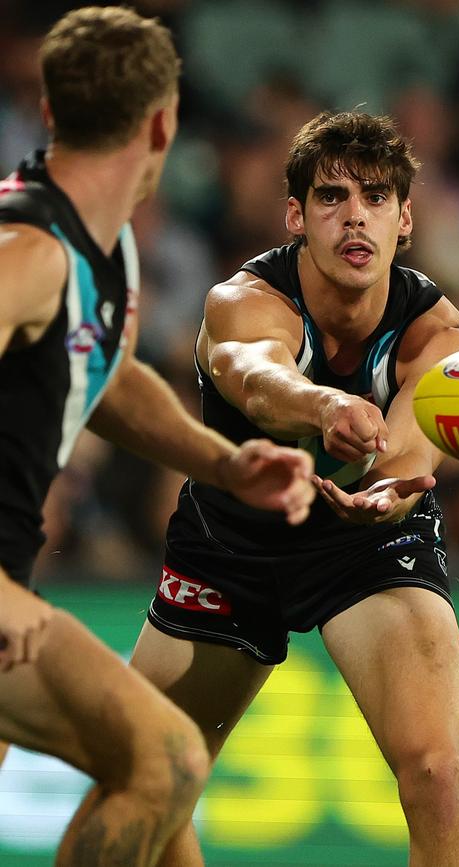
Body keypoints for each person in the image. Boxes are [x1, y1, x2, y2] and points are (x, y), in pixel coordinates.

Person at [131, 110, 459, 866]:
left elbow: (408, 456)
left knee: (436, 769)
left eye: (376, 197)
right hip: (231, 539)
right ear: (295, 216)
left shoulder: (446, 337)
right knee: (146, 775)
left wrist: (387, 490)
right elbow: (256, 377)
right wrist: (325, 405)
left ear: (406, 221)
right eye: (331, 197)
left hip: (365, 541)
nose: (354, 215)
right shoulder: (241, 299)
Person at [0, 7, 314, 866]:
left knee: (158, 778)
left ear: (52, 109)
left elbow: (105, 374)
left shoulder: (97, 246)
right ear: (164, 122)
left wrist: (225, 462)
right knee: (165, 759)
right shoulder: (27, 251)